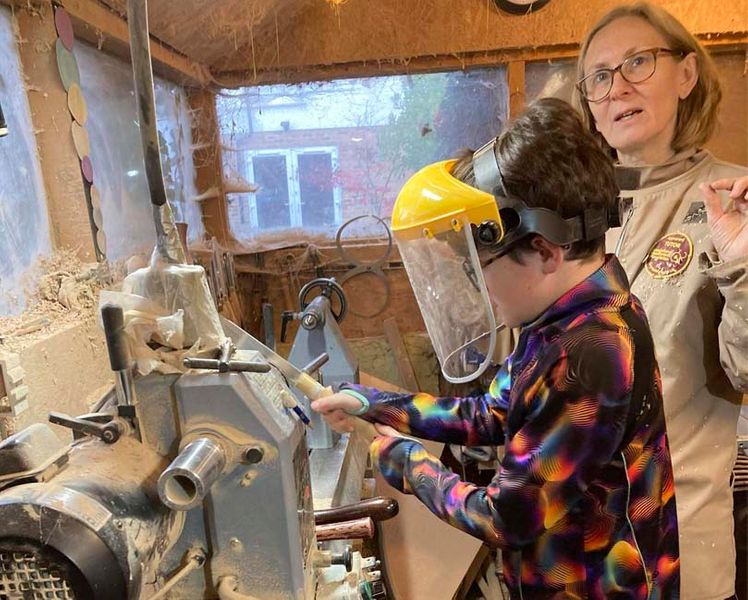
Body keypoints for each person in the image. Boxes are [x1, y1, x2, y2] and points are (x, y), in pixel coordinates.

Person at [313, 98, 680, 598]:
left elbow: (505, 516)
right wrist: (375, 404)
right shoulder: (559, 322)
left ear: (545, 252)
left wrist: (406, 462)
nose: (478, 288)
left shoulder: (590, 351)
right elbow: (492, 412)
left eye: (477, 267)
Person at [574, 4, 748, 599]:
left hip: (682, 547)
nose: (617, 86)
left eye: (637, 62)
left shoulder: (735, 197)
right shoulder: (570, 211)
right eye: (599, 77)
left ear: (686, 75)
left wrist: (743, 261)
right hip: (579, 548)